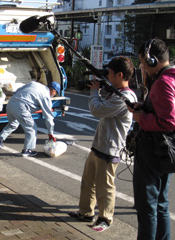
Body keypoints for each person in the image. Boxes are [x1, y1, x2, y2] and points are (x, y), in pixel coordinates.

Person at [68, 56, 138, 232]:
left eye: (110, 74)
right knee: (88, 181)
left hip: (110, 148)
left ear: (120, 74)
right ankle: (85, 212)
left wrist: (94, 92)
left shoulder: (125, 97)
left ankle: (105, 218)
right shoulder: (115, 92)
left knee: (105, 187)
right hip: (99, 145)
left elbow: (97, 110)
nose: (108, 76)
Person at [128, 38, 175, 240]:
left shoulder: (163, 83)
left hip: (154, 150)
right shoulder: (171, 78)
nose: (141, 66)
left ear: (152, 61)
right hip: (166, 151)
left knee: (147, 206)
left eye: (141, 61)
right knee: (161, 203)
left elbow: (169, 121)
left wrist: (141, 118)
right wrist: (144, 106)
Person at [0, 81, 59, 157]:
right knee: (31, 128)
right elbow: (48, 117)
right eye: (55, 93)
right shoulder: (46, 96)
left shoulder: (35, 84)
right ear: (53, 90)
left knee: (13, 124)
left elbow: (17, 91)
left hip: (11, 103)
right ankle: (27, 150)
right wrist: (50, 133)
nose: (54, 95)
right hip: (21, 107)